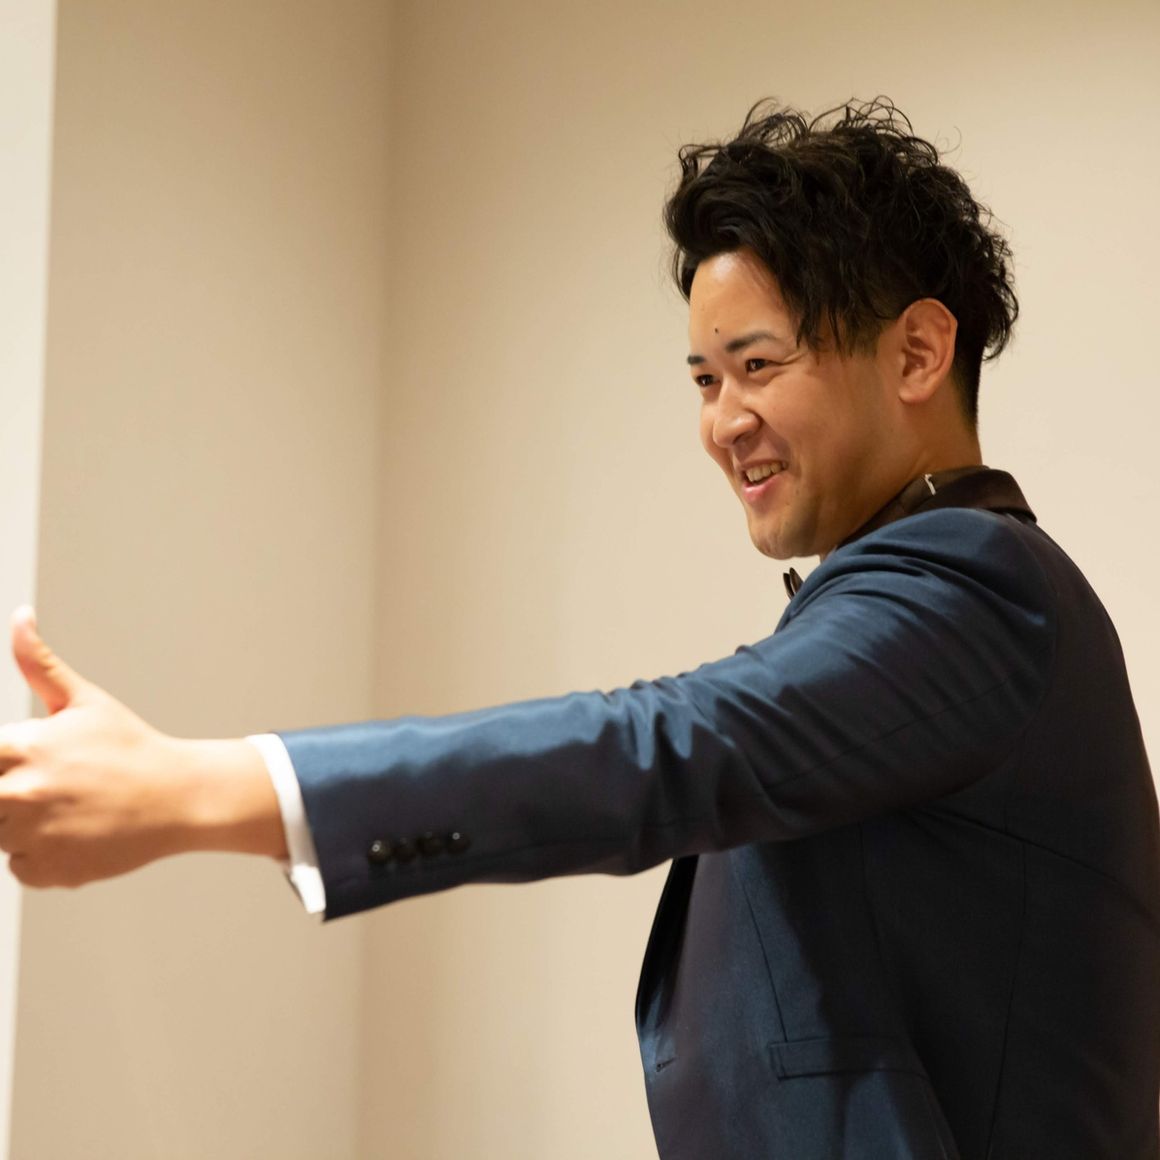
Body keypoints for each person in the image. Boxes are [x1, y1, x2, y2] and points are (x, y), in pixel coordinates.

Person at [0, 99, 1156, 1159]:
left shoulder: (979, 585)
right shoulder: (927, 596)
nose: (722, 422)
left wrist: (200, 789)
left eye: (756, 365)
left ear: (915, 352)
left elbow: (659, 746)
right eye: (702, 379)